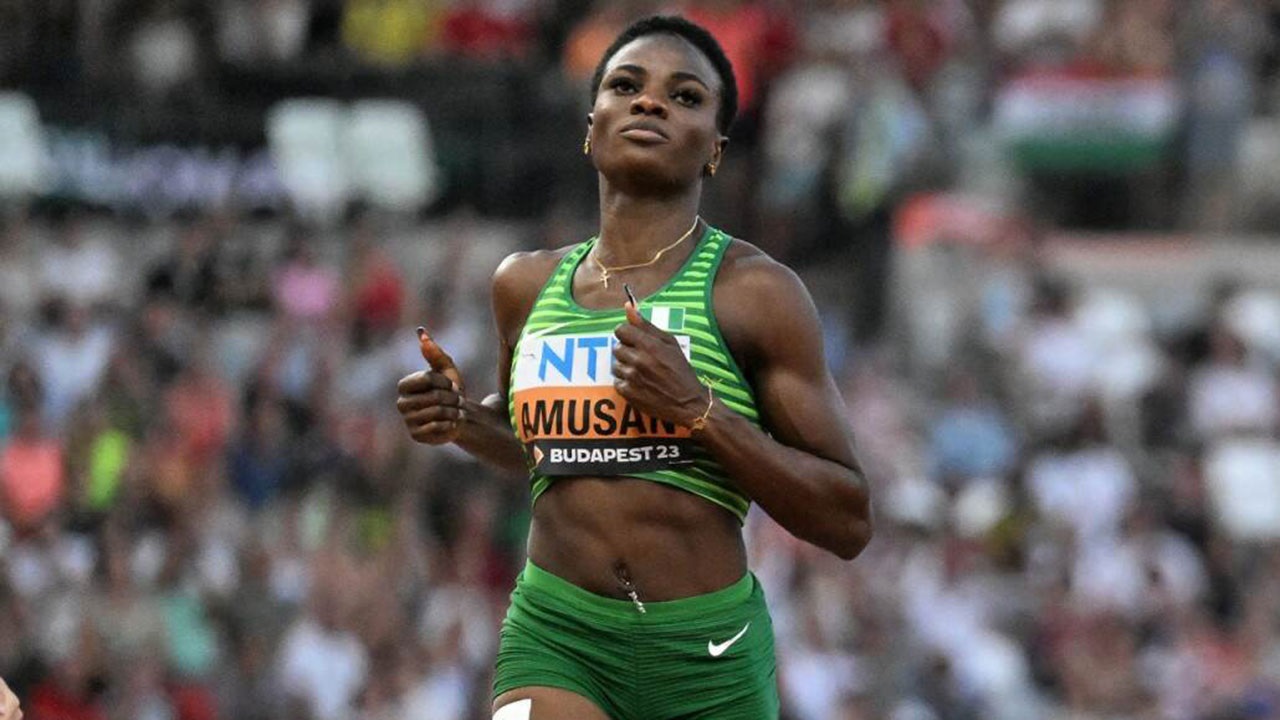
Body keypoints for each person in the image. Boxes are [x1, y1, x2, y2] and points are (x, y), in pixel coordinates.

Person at [396, 15, 872, 720]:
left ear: (715, 150)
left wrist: (699, 411)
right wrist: (462, 420)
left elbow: (846, 519)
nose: (650, 102)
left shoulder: (755, 293)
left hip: (706, 652)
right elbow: (541, 450)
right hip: (556, 635)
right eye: (626, 86)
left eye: (685, 96)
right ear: (591, 129)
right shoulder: (524, 285)